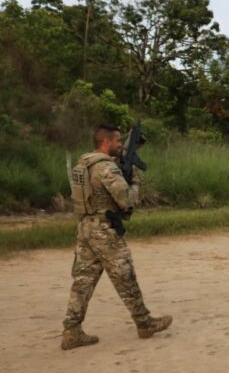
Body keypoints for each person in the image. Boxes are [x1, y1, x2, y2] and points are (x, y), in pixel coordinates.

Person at [62, 124, 172, 350]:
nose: (120, 146)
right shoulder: (106, 168)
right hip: (104, 229)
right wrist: (135, 182)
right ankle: (144, 322)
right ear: (106, 142)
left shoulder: (83, 164)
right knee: (125, 275)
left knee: (83, 282)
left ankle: (71, 331)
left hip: (85, 227)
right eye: (117, 142)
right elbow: (127, 200)